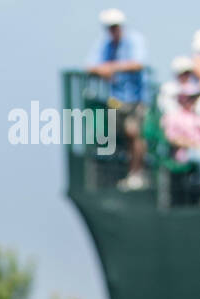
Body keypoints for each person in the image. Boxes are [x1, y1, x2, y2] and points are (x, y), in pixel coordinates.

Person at [86, 8, 149, 190]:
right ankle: (125, 172)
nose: (113, 30)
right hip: (116, 100)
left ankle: (137, 173)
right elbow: (90, 66)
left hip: (136, 99)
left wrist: (112, 68)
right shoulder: (104, 44)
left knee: (134, 133)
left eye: (115, 26)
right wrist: (103, 70)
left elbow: (138, 63)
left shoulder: (134, 40)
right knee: (119, 137)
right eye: (109, 27)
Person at [163, 76, 200, 164]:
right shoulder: (172, 117)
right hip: (186, 153)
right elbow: (172, 139)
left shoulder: (196, 115)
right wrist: (194, 145)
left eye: (194, 97)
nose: (193, 100)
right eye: (189, 98)